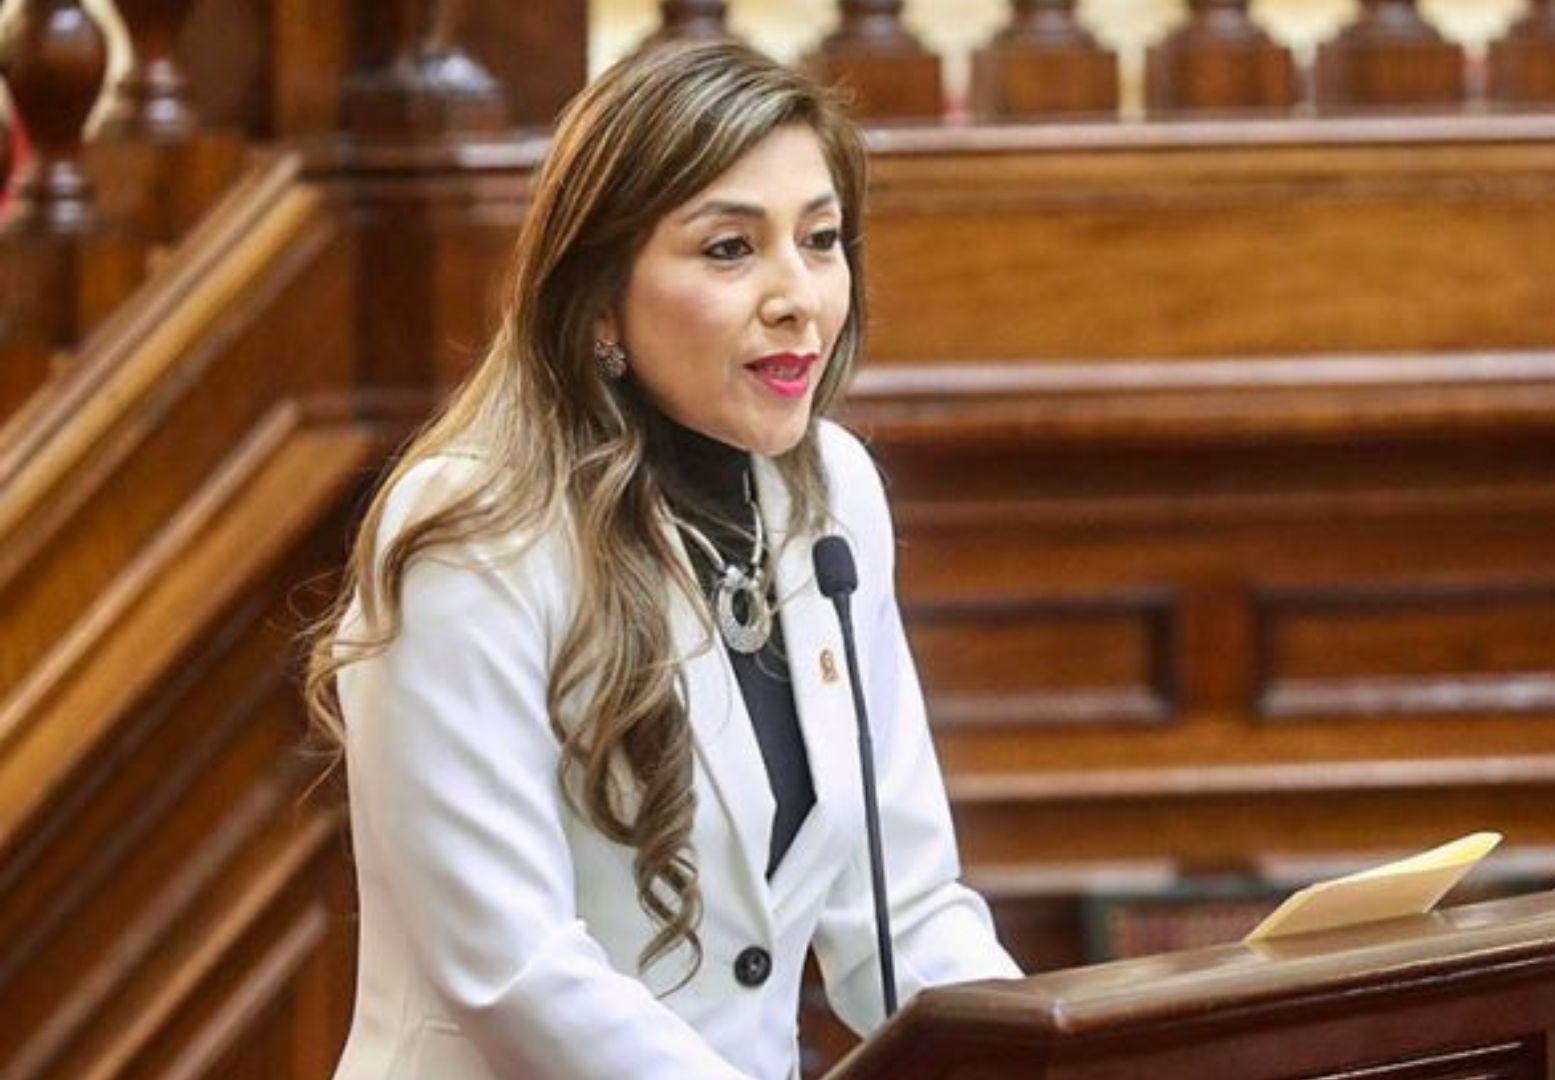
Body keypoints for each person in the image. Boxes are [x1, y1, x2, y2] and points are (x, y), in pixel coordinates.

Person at [305, 40, 1020, 1080]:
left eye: (821, 241)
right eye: (730, 249)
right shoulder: (471, 533)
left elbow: (899, 910)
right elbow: (514, 972)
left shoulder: (833, 489)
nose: (799, 296)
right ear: (598, 296)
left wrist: (1041, 1062)